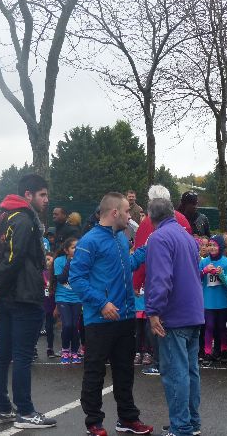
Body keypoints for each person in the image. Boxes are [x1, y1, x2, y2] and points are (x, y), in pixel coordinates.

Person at [69, 192, 152, 436]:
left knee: (125, 371)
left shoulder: (120, 239)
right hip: (100, 319)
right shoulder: (89, 241)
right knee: (94, 372)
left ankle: (127, 419)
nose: (130, 216)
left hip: (125, 317)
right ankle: (93, 422)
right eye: (127, 211)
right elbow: (76, 278)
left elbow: (127, 266)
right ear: (115, 213)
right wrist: (102, 303)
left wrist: (146, 249)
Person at [0, 174, 56, 429]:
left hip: (10, 296)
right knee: (22, 356)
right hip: (24, 296)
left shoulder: (6, 215)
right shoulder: (25, 219)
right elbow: (14, 258)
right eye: (42, 195)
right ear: (28, 194)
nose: (46, 200)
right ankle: (25, 412)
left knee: (3, 354)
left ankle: (1, 409)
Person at [144, 198, 204, 436]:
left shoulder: (159, 238)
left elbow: (160, 278)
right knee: (190, 371)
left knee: (175, 372)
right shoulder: (186, 237)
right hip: (193, 312)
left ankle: (181, 426)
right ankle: (191, 421)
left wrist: (153, 311)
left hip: (174, 314)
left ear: (150, 216)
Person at [133, 185, 192, 376]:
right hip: (185, 286)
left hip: (160, 284)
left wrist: (136, 283)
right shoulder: (182, 221)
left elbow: (143, 255)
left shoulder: (148, 223)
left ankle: (161, 362)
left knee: (156, 324)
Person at [199, 235, 227, 365]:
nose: (211, 248)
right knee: (209, 326)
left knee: (222, 327)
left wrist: (221, 275)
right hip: (208, 301)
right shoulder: (204, 262)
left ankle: (223, 350)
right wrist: (204, 271)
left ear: (220, 247)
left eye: (214, 245)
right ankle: (207, 352)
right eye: (209, 245)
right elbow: (196, 277)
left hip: (222, 301)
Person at [54, 237, 83, 364]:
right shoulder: (59, 261)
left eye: (78, 247)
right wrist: (70, 262)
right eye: (73, 247)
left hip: (77, 298)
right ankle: (65, 350)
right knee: (67, 325)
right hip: (63, 297)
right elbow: (61, 279)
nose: (76, 250)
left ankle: (75, 351)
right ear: (66, 250)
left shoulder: (82, 261)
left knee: (75, 325)